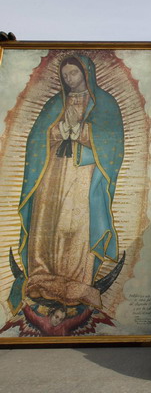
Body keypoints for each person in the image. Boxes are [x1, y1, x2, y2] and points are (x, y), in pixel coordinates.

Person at [8, 55, 124, 315]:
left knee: (75, 224)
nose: (69, 79)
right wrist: (58, 130)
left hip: (83, 173)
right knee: (47, 220)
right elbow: (36, 138)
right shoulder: (54, 103)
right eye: (66, 74)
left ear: (86, 72)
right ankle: (41, 274)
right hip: (52, 173)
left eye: (74, 73)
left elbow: (113, 143)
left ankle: (77, 280)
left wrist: (82, 132)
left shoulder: (103, 103)